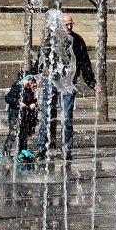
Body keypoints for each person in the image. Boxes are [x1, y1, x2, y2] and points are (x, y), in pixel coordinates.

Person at [35, 13, 99, 161]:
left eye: (71, 24)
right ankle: (41, 147)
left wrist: (92, 83)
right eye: (66, 25)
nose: (69, 27)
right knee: (46, 114)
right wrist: (33, 76)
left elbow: (84, 62)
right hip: (51, 80)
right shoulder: (51, 38)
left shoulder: (77, 40)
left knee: (67, 116)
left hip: (68, 82)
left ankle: (66, 148)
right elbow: (41, 60)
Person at [0, 73, 37, 161]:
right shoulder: (17, 88)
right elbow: (7, 98)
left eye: (31, 80)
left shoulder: (29, 90)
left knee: (24, 135)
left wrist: (34, 104)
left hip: (25, 117)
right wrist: (18, 103)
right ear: (23, 80)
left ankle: (22, 151)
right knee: (13, 134)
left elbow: (33, 100)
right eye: (28, 80)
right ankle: (6, 152)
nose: (30, 82)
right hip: (14, 116)